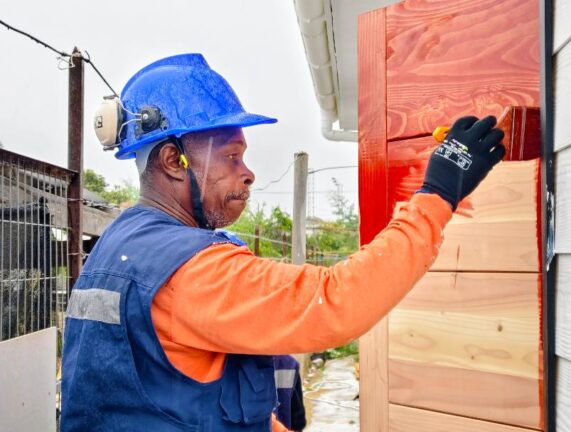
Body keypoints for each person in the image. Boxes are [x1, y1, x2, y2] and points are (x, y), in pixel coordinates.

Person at [60, 53, 505, 431]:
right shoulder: (191, 270)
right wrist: (438, 194)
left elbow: (183, 397)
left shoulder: (119, 242)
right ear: (172, 161)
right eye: (232, 156)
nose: (248, 172)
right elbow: (333, 301)